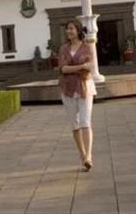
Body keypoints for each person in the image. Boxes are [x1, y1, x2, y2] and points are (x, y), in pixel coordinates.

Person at [58, 18, 96, 171]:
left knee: (85, 122)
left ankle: (88, 156)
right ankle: (82, 155)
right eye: (67, 28)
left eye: (71, 28)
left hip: (85, 87)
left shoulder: (87, 47)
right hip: (68, 89)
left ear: (78, 30)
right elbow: (62, 69)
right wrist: (80, 67)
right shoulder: (63, 49)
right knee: (75, 124)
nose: (68, 31)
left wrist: (72, 68)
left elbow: (90, 67)